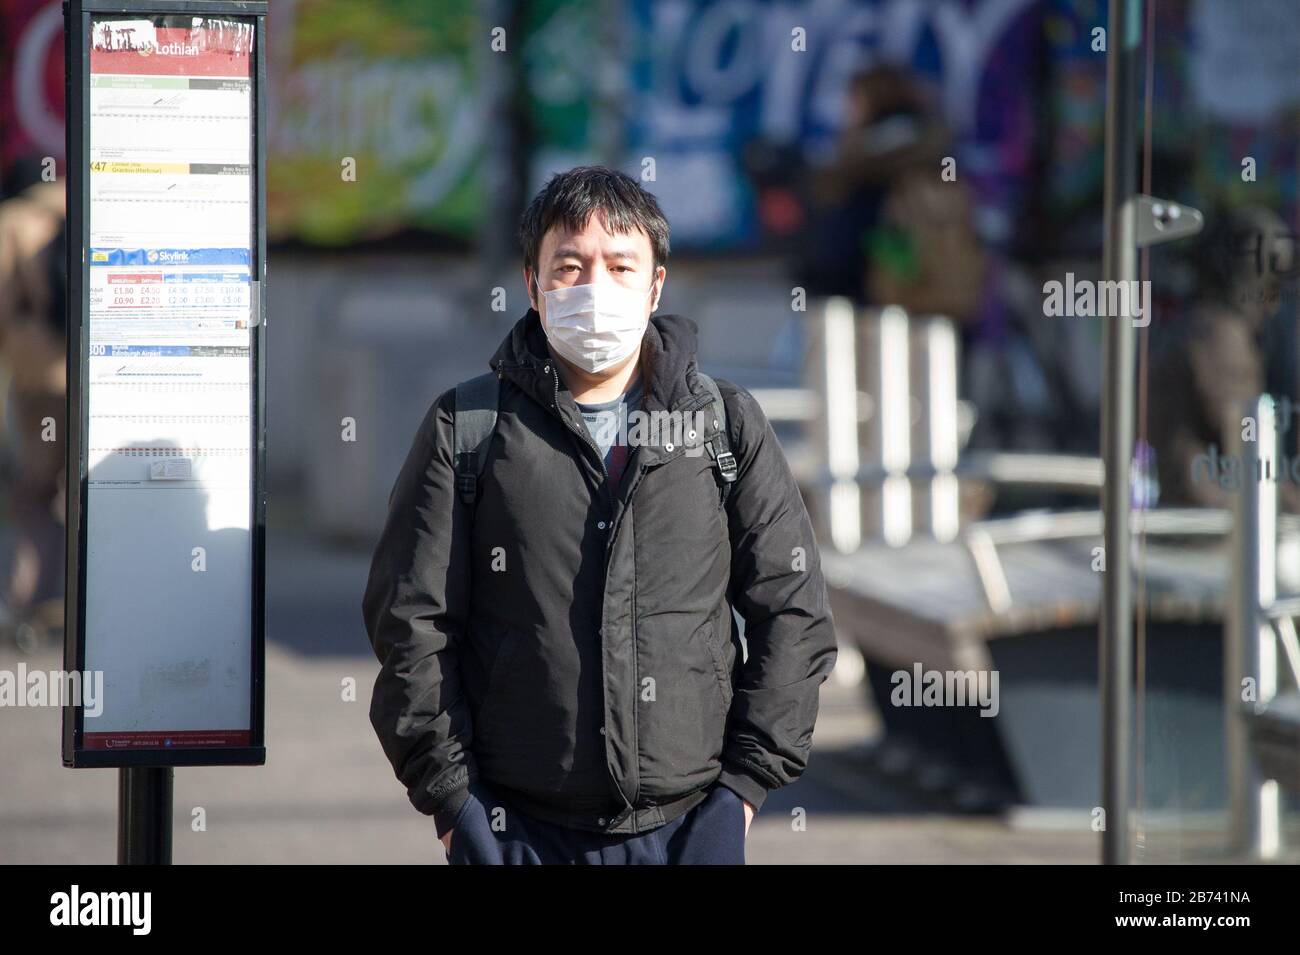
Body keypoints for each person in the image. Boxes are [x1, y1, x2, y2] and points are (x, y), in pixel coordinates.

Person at [362, 166, 837, 864]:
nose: (594, 289)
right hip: (515, 829)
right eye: (570, 266)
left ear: (655, 286)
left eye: (619, 266)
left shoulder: (721, 424)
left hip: (689, 826)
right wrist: (454, 801)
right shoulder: (468, 426)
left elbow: (793, 608)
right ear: (532, 284)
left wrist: (742, 788)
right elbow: (410, 626)